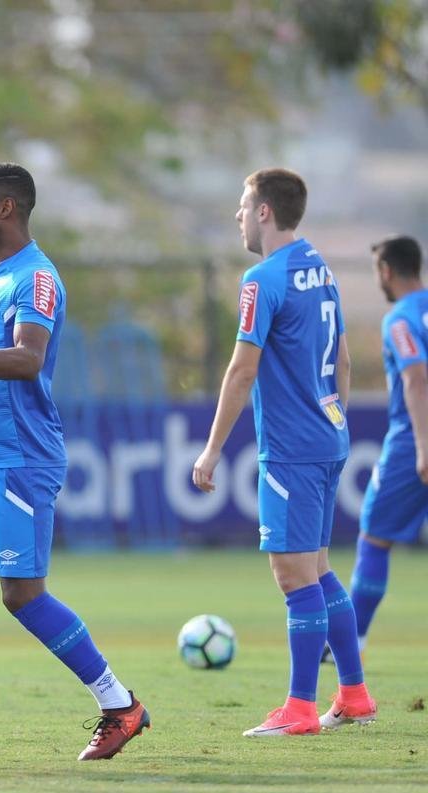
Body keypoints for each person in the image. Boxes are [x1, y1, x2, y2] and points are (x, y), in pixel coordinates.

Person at [0, 163, 149, 762]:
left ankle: (119, 704)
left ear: (7, 208)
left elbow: (25, 360)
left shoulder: (37, 278)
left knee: (21, 595)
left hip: (20, 462)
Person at [192, 168, 375, 736]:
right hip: (328, 436)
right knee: (318, 572)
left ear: (265, 211)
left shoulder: (261, 278)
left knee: (293, 578)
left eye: (244, 206)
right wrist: (335, 419)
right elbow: (343, 360)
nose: (239, 217)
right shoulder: (320, 268)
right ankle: (354, 695)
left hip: (293, 449)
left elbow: (242, 369)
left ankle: (299, 710)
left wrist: (212, 450)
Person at [342, 235, 428, 678]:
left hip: (413, 439)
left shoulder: (400, 319)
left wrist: (423, 446)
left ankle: (350, 642)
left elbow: (416, 379)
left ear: (387, 271)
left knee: (374, 536)